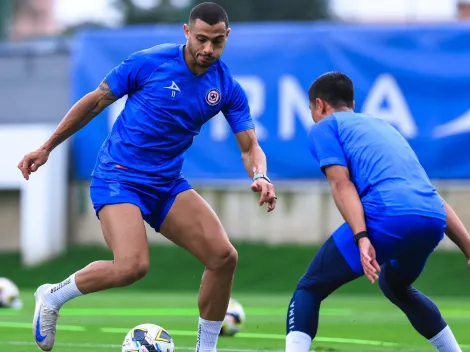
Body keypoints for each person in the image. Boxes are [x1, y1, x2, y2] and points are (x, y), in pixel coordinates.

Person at [17, 2, 277, 351]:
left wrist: (262, 175)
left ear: (227, 37)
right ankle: (52, 296)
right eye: (201, 39)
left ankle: (206, 349)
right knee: (132, 265)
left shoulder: (226, 87)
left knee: (223, 256)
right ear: (187, 32)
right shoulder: (150, 62)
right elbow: (95, 101)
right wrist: (47, 147)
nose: (207, 50)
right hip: (118, 176)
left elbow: (250, 148)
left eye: (217, 42)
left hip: (166, 184)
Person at [285, 72, 469, 352]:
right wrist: (468, 249)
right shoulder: (384, 127)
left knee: (309, 287)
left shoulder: (324, 128)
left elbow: (341, 183)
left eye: (312, 111)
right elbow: (430, 194)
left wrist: (362, 237)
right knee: (396, 286)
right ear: (352, 103)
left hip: (389, 217)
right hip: (431, 218)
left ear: (319, 105)